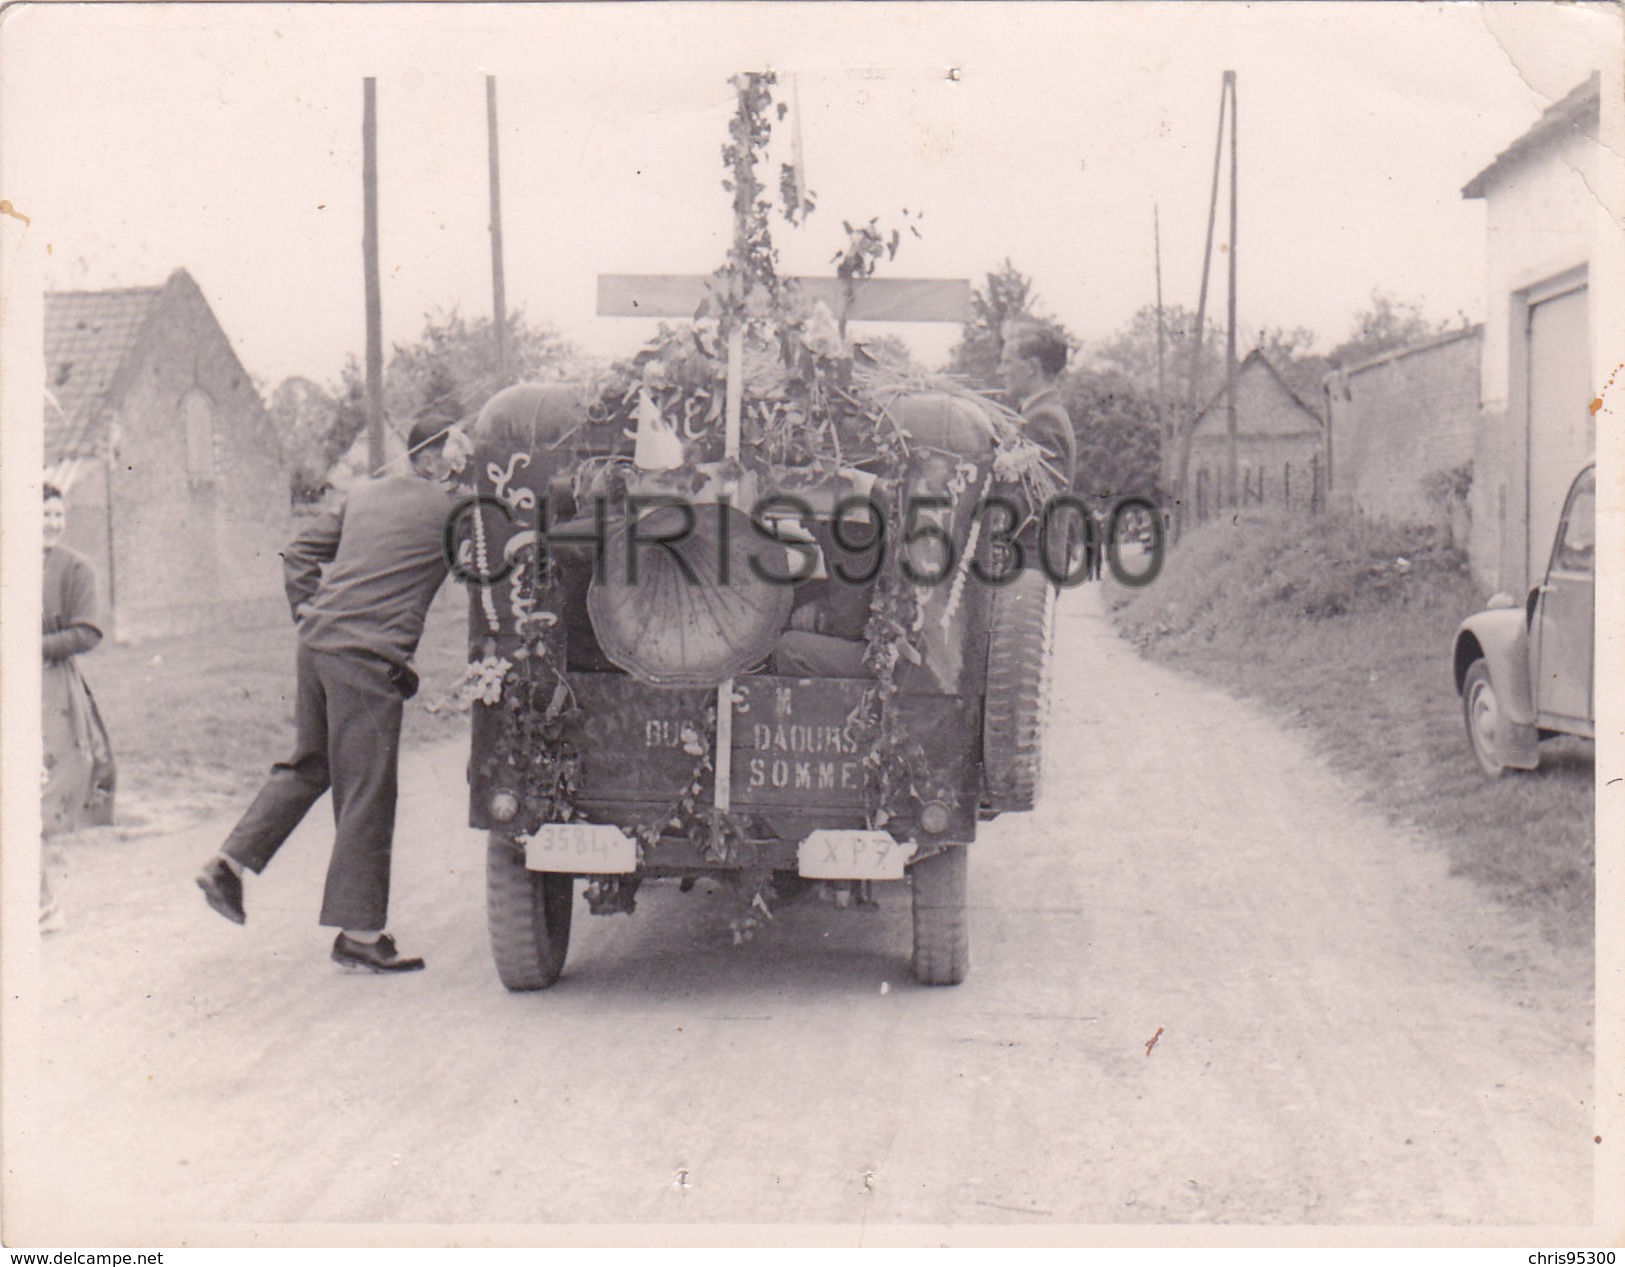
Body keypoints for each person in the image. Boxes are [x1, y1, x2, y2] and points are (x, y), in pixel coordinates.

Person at [195, 419, 461, 973]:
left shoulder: (362, 495)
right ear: (433, 456)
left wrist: (310, 618)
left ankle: (229, 863)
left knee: (309, 766)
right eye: (462, 448)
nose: (468, 459)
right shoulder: (454, 510)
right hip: (367, 661)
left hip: (317, 647)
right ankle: (360, 936)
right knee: (367, 789)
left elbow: (297, 554)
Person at [41, 483, 114, 930]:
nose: (51, 522)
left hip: (52, 692)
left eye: (56, 514)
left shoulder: (75, 569)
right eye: (41, 513)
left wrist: (31, 646)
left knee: (40, 795)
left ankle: (39, 903)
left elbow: (87, 632)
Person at [997, 324, 1078, 576]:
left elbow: (1037, 498)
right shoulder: (1035, 414)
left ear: (1032, 367)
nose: (1000, 371)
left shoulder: (1043, 418)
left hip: (1027, 568)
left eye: (1007, 362)